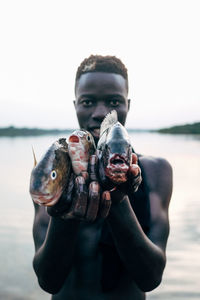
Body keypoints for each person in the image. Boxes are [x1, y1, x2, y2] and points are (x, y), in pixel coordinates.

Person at [32, 55, 173, 300]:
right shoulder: (52, 173)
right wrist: (63, 211)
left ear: (127, 105)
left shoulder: (157, 170)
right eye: (87, 102)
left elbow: (151, 277)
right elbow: (48, 280)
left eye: (113, 101)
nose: (100, 113)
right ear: (75, 105)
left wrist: (118, 198)